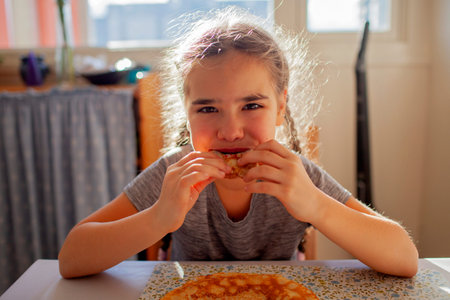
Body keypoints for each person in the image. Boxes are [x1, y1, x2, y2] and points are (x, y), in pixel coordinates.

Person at [58, 7, 418, 279]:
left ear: (281, 108)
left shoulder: (296, 177)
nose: (230, 131)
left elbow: (404, 258)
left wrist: (317, 206)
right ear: (187, 115)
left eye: (251, 105)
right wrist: (157, 219)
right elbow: (72, 260)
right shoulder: (174, 174)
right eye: (209, 108)